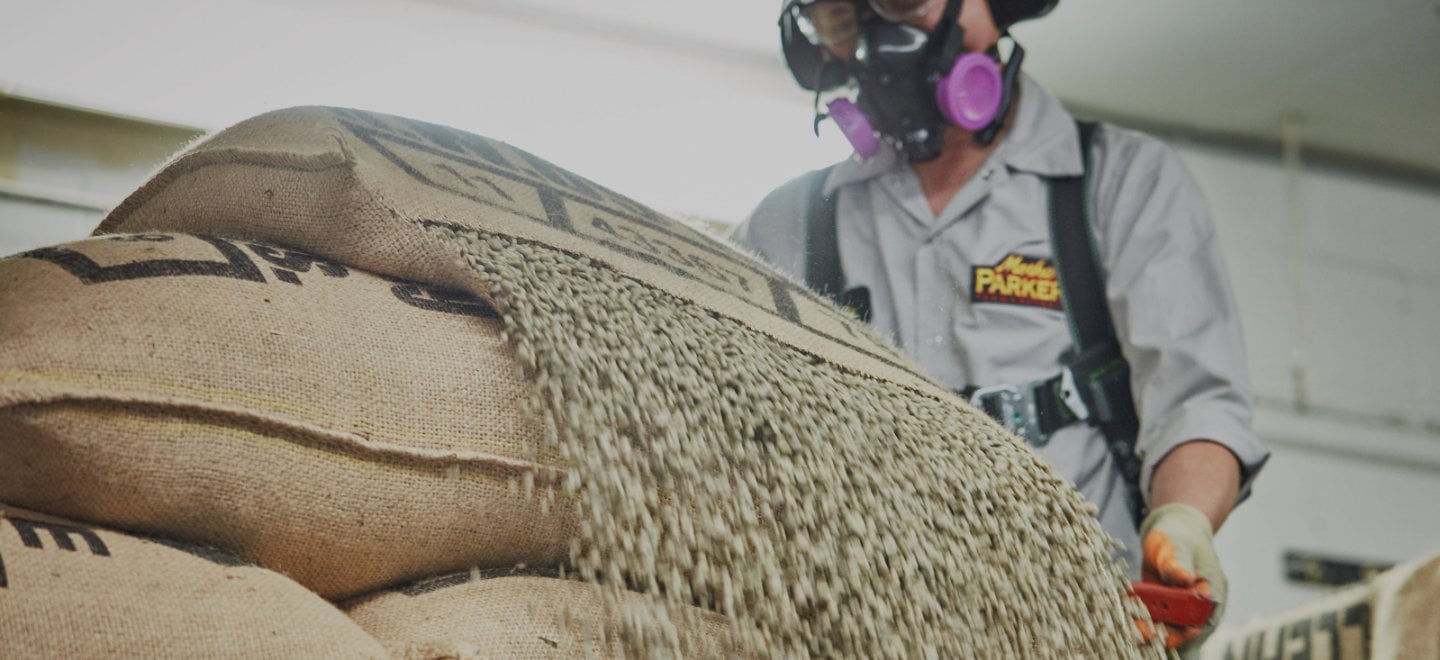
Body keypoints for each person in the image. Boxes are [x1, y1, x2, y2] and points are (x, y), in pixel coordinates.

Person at [728, 0, 1270, 654]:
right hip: (854, 631)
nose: (874, 39)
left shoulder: (1116, 183)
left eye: (902, 2)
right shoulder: (789, 225)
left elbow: (1196, 405)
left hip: (1074, 629)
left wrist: (1183, 521)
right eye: (839, 17)